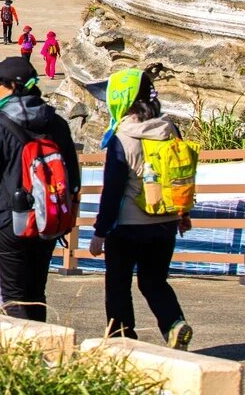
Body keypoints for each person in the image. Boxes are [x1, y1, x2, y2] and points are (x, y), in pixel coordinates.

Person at [0, 57, 81, 322]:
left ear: (11, 86)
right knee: (36, 292)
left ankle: (24, 357)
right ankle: (41, 350)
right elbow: (72, 174)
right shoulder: (56, 124)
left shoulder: (0, 125)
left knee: (12, 295)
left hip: (8, 219)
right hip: (47, 220)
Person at [87, 69, 194, 350]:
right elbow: (178, 174)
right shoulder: (169, 130)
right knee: (154, 281)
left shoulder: (122, 138)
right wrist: (182, 212)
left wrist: (100, 232)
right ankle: (174, 324)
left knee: (118, 284)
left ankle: (122, 340)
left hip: (128, 225)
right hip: (166, 222)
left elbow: (112, 191)